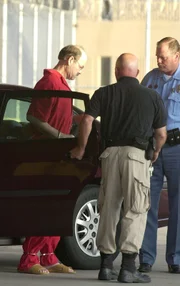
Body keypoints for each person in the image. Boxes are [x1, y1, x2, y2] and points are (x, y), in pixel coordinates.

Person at [70, 53, 167, 283]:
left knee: (109, 208)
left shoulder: (103, 93)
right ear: (137, 72)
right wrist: (155, 153)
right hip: (137, 156)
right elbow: (161, 134)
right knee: (135, 209)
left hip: (110, 156)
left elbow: (86, 120)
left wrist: (81, 149)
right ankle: (128, 268)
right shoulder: (152, 96)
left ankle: (105, 266)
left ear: (116, 71)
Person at [17, 45, 87, 275]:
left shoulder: (62, 85)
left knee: (58, 205)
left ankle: (48, 255)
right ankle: (29, 259)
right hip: (44, 154)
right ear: (69, 60)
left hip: (59, 155)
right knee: (44, 207)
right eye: (80, 66)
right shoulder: (49, 83)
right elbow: (33, 117)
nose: (80, 71)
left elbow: (59, 115)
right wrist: (59, 135)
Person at [139, 37, 180, 274]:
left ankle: (175, 258)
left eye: (163, 56)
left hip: (176, 148)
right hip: (152, 148)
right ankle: (146, 257)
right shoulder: (150, 78)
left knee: (177, 205)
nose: (159, 60)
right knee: (147, 203)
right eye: (157, 56)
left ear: (176, 56)